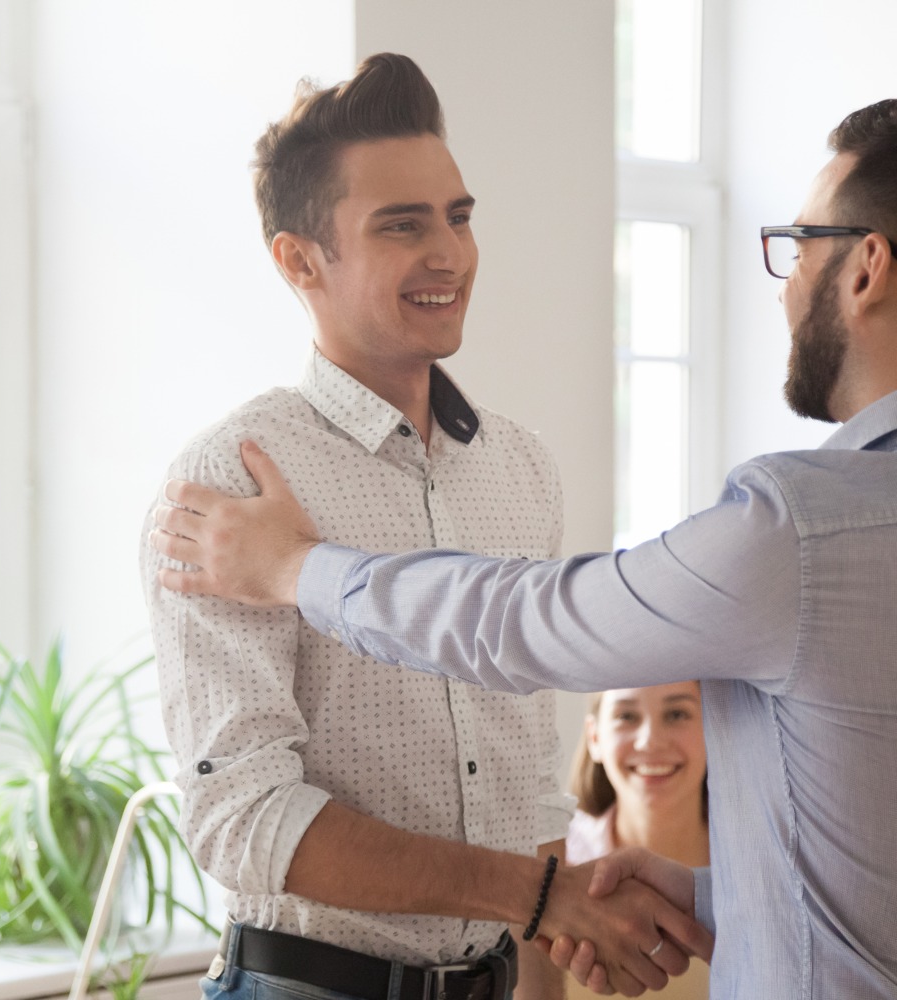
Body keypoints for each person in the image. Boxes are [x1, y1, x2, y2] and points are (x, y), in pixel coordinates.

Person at [150, 94, 897, 998]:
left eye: (798, 245)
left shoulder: (794, 529)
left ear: (864, 268)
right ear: (297, 260)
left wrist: (293, 567)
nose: (783, 286)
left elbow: (520, 626)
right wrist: (694, 897)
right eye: (403, 224)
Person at [141, 52, 709, 1000]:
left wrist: (541, 946)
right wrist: (535, 896)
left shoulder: (519, 468)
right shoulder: (230, 476)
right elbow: (244, 816)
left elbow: (526, 778)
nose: (449, 253)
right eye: (401, 226)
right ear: (299, 259)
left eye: (458, 216)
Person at [565, 685, 710, 1000]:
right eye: (626, 716)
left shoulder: (765, 866)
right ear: (595, 737)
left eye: (676, 714)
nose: (650, 741)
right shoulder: (556, 866)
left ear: (716, 729)